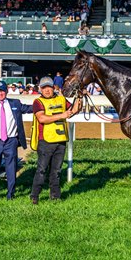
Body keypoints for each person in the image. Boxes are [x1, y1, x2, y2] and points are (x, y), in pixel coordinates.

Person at [0, 80, 33, 200]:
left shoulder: (15, 103)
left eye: (2, 90)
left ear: (6, 91)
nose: (0, 93)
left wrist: (43, 106)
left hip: (11, 141)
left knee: (11, 169)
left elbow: (29, 108)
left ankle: (10, 195)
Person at [30, 76, 81, 204]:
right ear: (40, 89)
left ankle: (55, 197)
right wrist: (62, 115)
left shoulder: (61, 99)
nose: (47, 90)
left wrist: (79, 97)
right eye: (44, 88)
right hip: (45, 141)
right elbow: (42, 118)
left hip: (61, 141)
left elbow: (73, 110)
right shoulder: (38, 102)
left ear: (53, 88)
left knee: (56, 171)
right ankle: (35, 196)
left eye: (49, 87)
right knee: (42, 170)